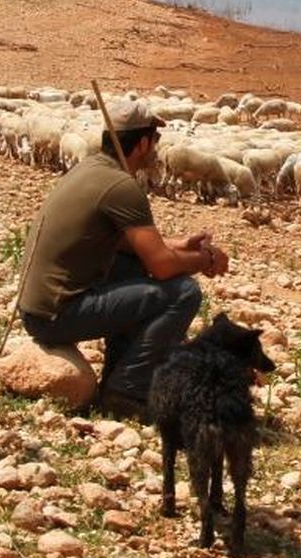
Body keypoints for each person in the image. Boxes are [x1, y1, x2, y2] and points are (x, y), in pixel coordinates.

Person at [17, 99, 228, 420]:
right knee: (183, 292)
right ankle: (127, 392)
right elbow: (161, 264)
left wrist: (183, 245)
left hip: (39, 306)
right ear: (142, 143)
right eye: (155, 139)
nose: (157, 147)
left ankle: (118, 376)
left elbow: (131, 246)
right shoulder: (122, 186)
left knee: (138, 272)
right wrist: (205, 259)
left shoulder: (91, 169)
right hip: (56, 315)